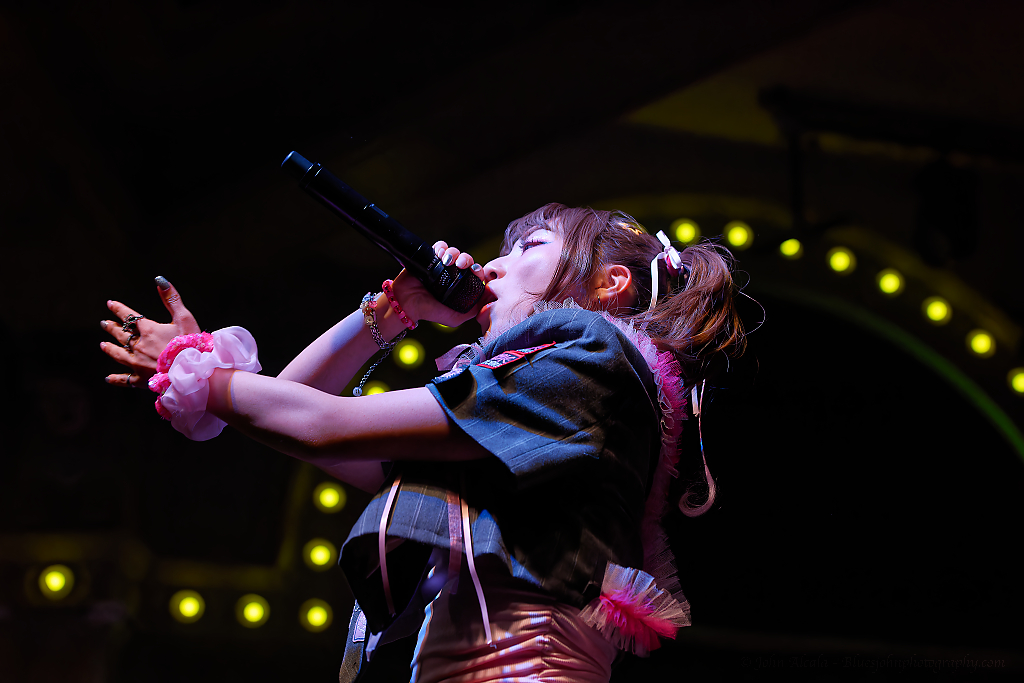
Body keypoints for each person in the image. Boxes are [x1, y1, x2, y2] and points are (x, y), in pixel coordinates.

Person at [100, 203, 746, 682]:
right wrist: (391, 312)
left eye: (532, 245)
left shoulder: (589, 361)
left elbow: (315, 422)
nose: (493, 263)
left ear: (609, 284)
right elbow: (294, 414)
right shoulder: (525, 412)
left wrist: (194, 367)